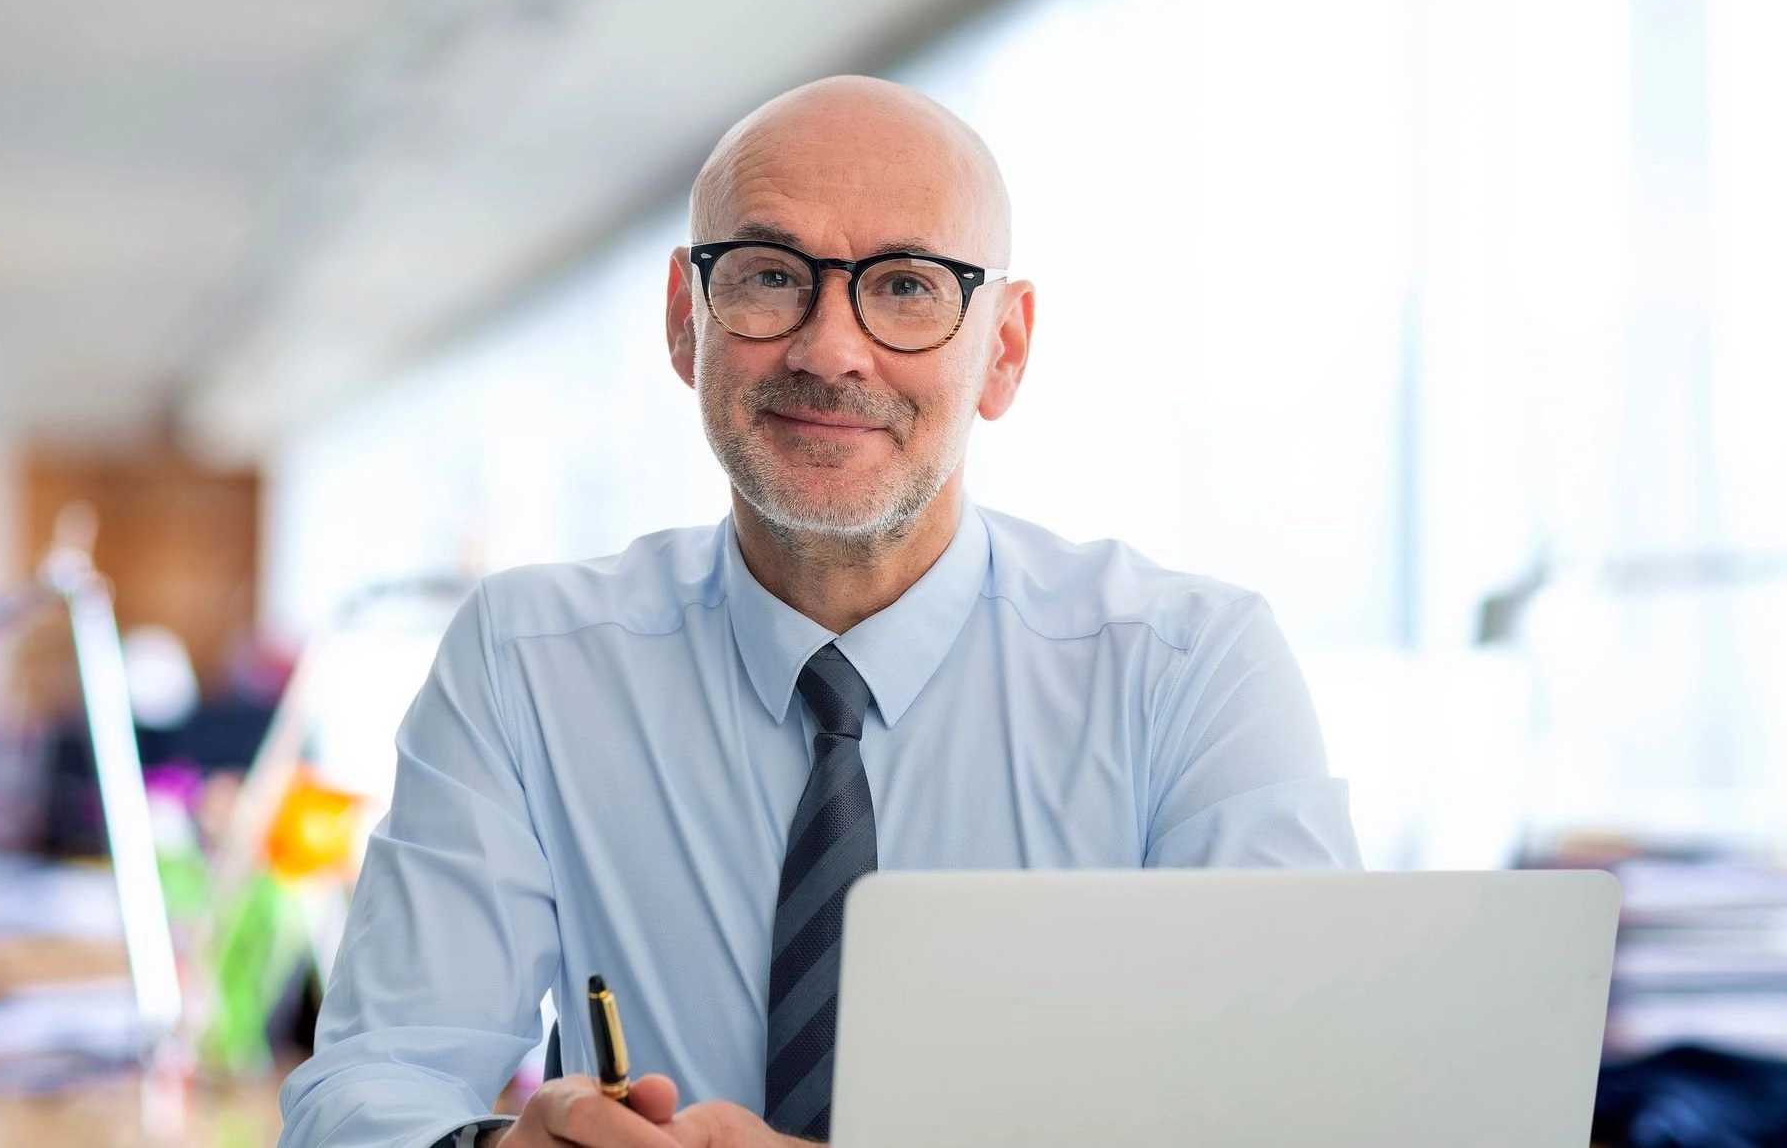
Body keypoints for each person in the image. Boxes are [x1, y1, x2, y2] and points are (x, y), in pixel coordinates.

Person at [278, 75, 1360, 1148]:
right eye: (767, 275)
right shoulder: (530, 664)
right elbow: (370, 1089)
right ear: (682, 320)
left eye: (905, 287)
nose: (829, 348)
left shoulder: (1189, 672)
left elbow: (1313, 1116)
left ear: (1006, 349)